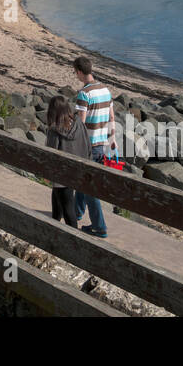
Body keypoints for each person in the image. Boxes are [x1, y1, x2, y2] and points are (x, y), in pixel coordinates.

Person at [73, 56, 113, 238]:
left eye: (75, 72)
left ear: (80, 72)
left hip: (88, 145)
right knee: (84, 179)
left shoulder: (84, 94)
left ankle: (99, 226)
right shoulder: (105, 90)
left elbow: (80, 124)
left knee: (89, 187)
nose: (76, 75)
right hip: (102, 144)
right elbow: (111, 117)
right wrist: (112, 140)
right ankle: (77, 212)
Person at [45, 95, 90, 228]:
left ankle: (73, 237)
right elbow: (87, 144)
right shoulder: (78, 123)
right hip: (77, 169)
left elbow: (50, 154)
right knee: (58, 199)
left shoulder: (54, 130)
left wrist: (47, 173)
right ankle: (54, 225)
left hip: (62, 174)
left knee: (68, 208)